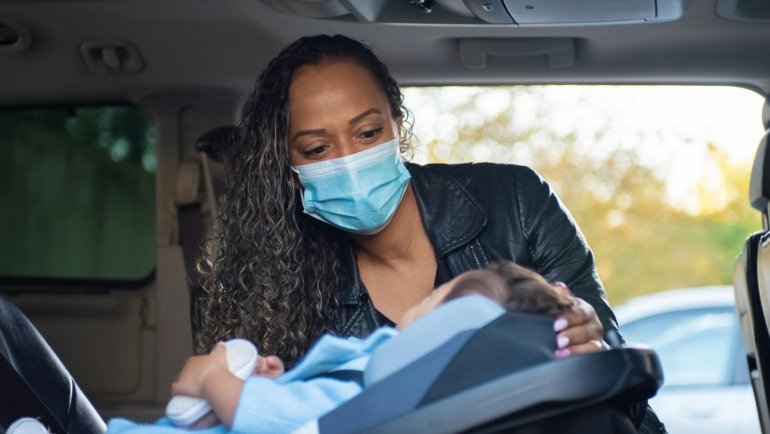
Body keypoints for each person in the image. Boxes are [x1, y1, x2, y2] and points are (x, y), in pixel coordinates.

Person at [193, 33, 664, 432]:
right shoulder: (278, 282)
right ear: (291, 171)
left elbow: (621, 384)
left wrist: (592, 344)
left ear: (397, 126)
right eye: (317, 148)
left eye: (368, 133)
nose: (349, 160)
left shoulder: (516, 200)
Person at [108, 261, 621, 434]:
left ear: (444, 334)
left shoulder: (383, 403)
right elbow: (296, 409)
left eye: (437, 296)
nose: (425, 298)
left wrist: (211, 379)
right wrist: (276, 381)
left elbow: (277, 425)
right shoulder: (394, 384)